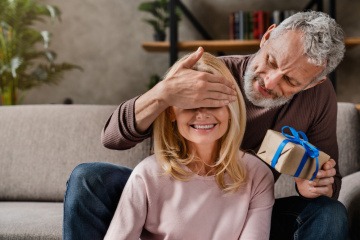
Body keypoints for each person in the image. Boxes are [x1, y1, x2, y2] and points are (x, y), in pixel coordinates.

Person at [63, 11, 348, 240]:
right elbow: (112, 138)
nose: (270, 81)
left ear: (314, 83)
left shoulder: (317, 99)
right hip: (170, 199)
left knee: (328, 212)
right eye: (271, 61)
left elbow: (328, 181)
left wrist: (315, 183)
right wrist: (163, 93)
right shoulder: (210, 74)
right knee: (88, 178)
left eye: (291, 81)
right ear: (267, 36)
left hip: (242, 208)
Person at [104, 52, 274, 239]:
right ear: (171, 113)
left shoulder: (257, 175)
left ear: (230, 109)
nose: (202, 114)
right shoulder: (147, 175)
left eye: (213, 103)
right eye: (190, 105)